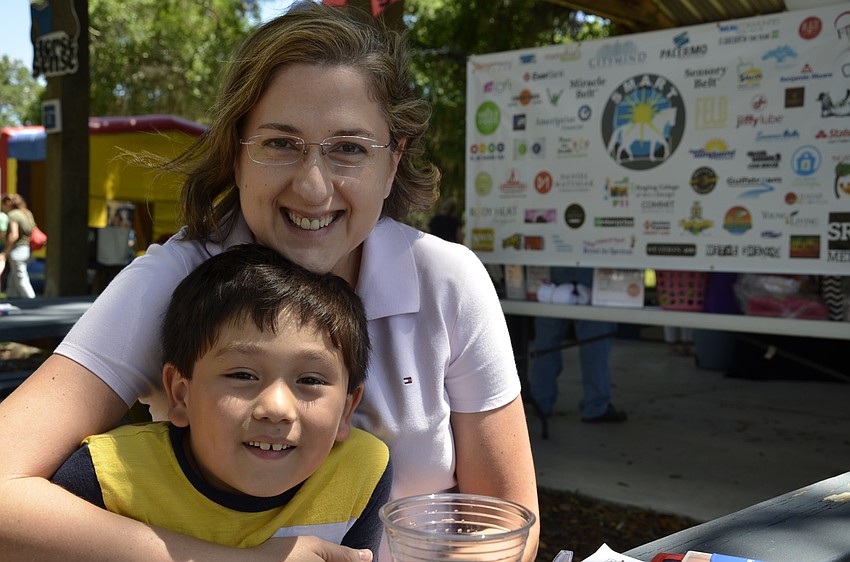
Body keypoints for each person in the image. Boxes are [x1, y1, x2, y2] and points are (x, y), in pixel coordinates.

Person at [0, 3, 539, 562]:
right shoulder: (175, 278)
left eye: (349, 148)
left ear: (394, 161)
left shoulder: (446, 281)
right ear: (237, 153)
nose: (312, 187)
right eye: (281, 143)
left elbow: (509, 520)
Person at [50, 243, 390, 553]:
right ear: (181, 394)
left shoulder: (362, 473)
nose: (276, 409)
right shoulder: (108, 477)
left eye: (310, 380)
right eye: (243, 376)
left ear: (347, 409)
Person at [529, 267, 627, 437]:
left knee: (546, 343)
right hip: (593, 263)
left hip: (554, 263)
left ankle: (541, 401)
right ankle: (595, 406)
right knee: (595, 344)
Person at [1, 193, 37, 298]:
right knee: (14, 278)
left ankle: (31, 300)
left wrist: (5, 252)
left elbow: (14, 235)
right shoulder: (26, 213)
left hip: (18, 249)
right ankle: (10, 299)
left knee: (21, 278)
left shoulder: (13, 215)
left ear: (7, 204)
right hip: (27, 249)